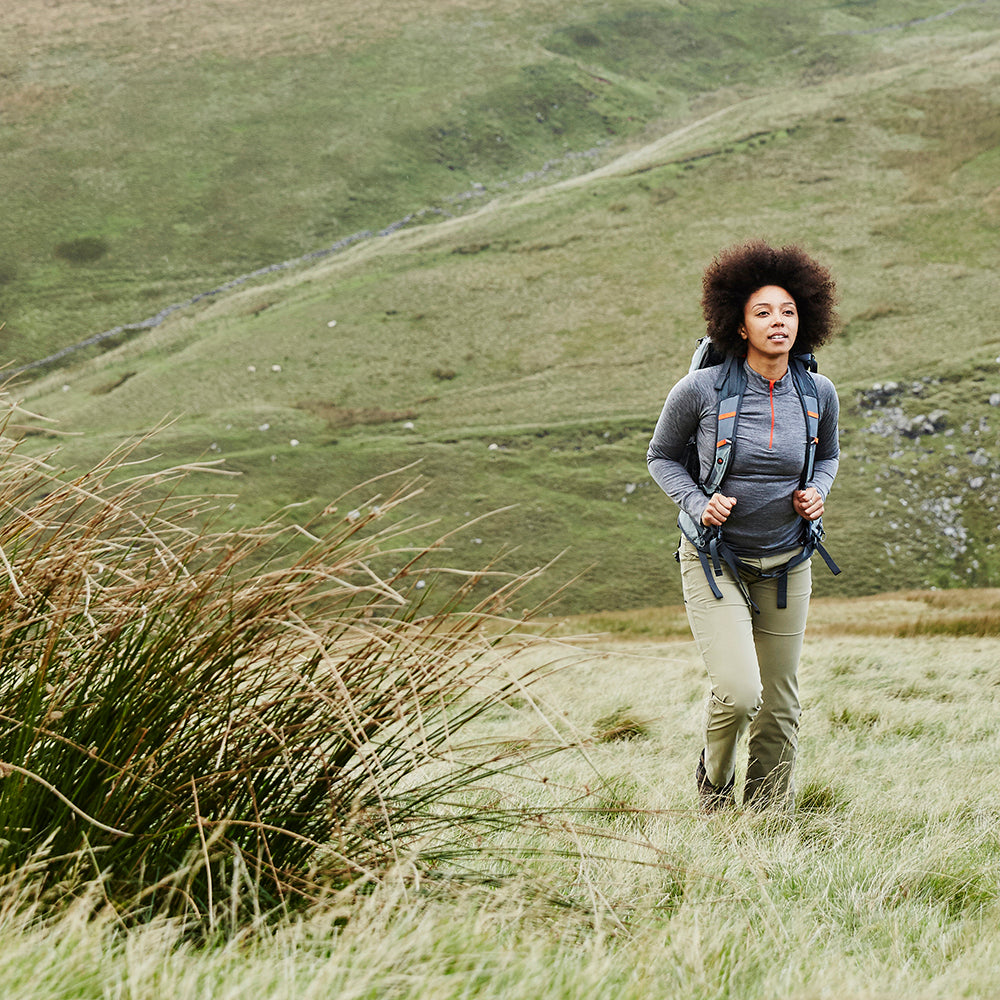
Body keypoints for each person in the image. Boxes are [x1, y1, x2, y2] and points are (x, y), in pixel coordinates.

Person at [646, 239, 840, 812]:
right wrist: (697, 501)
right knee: (739, 691)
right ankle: (714, 785)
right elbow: (660, 456)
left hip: (788, 563)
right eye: (763, 312)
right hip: (714, 562)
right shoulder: (701, 391)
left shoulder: (819, 393)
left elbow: (828, 457)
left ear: (804, 319)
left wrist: (817, 494)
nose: (777, 322)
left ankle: (766, 819)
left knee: (781, 706)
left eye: (787, 312)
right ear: (737, 323)